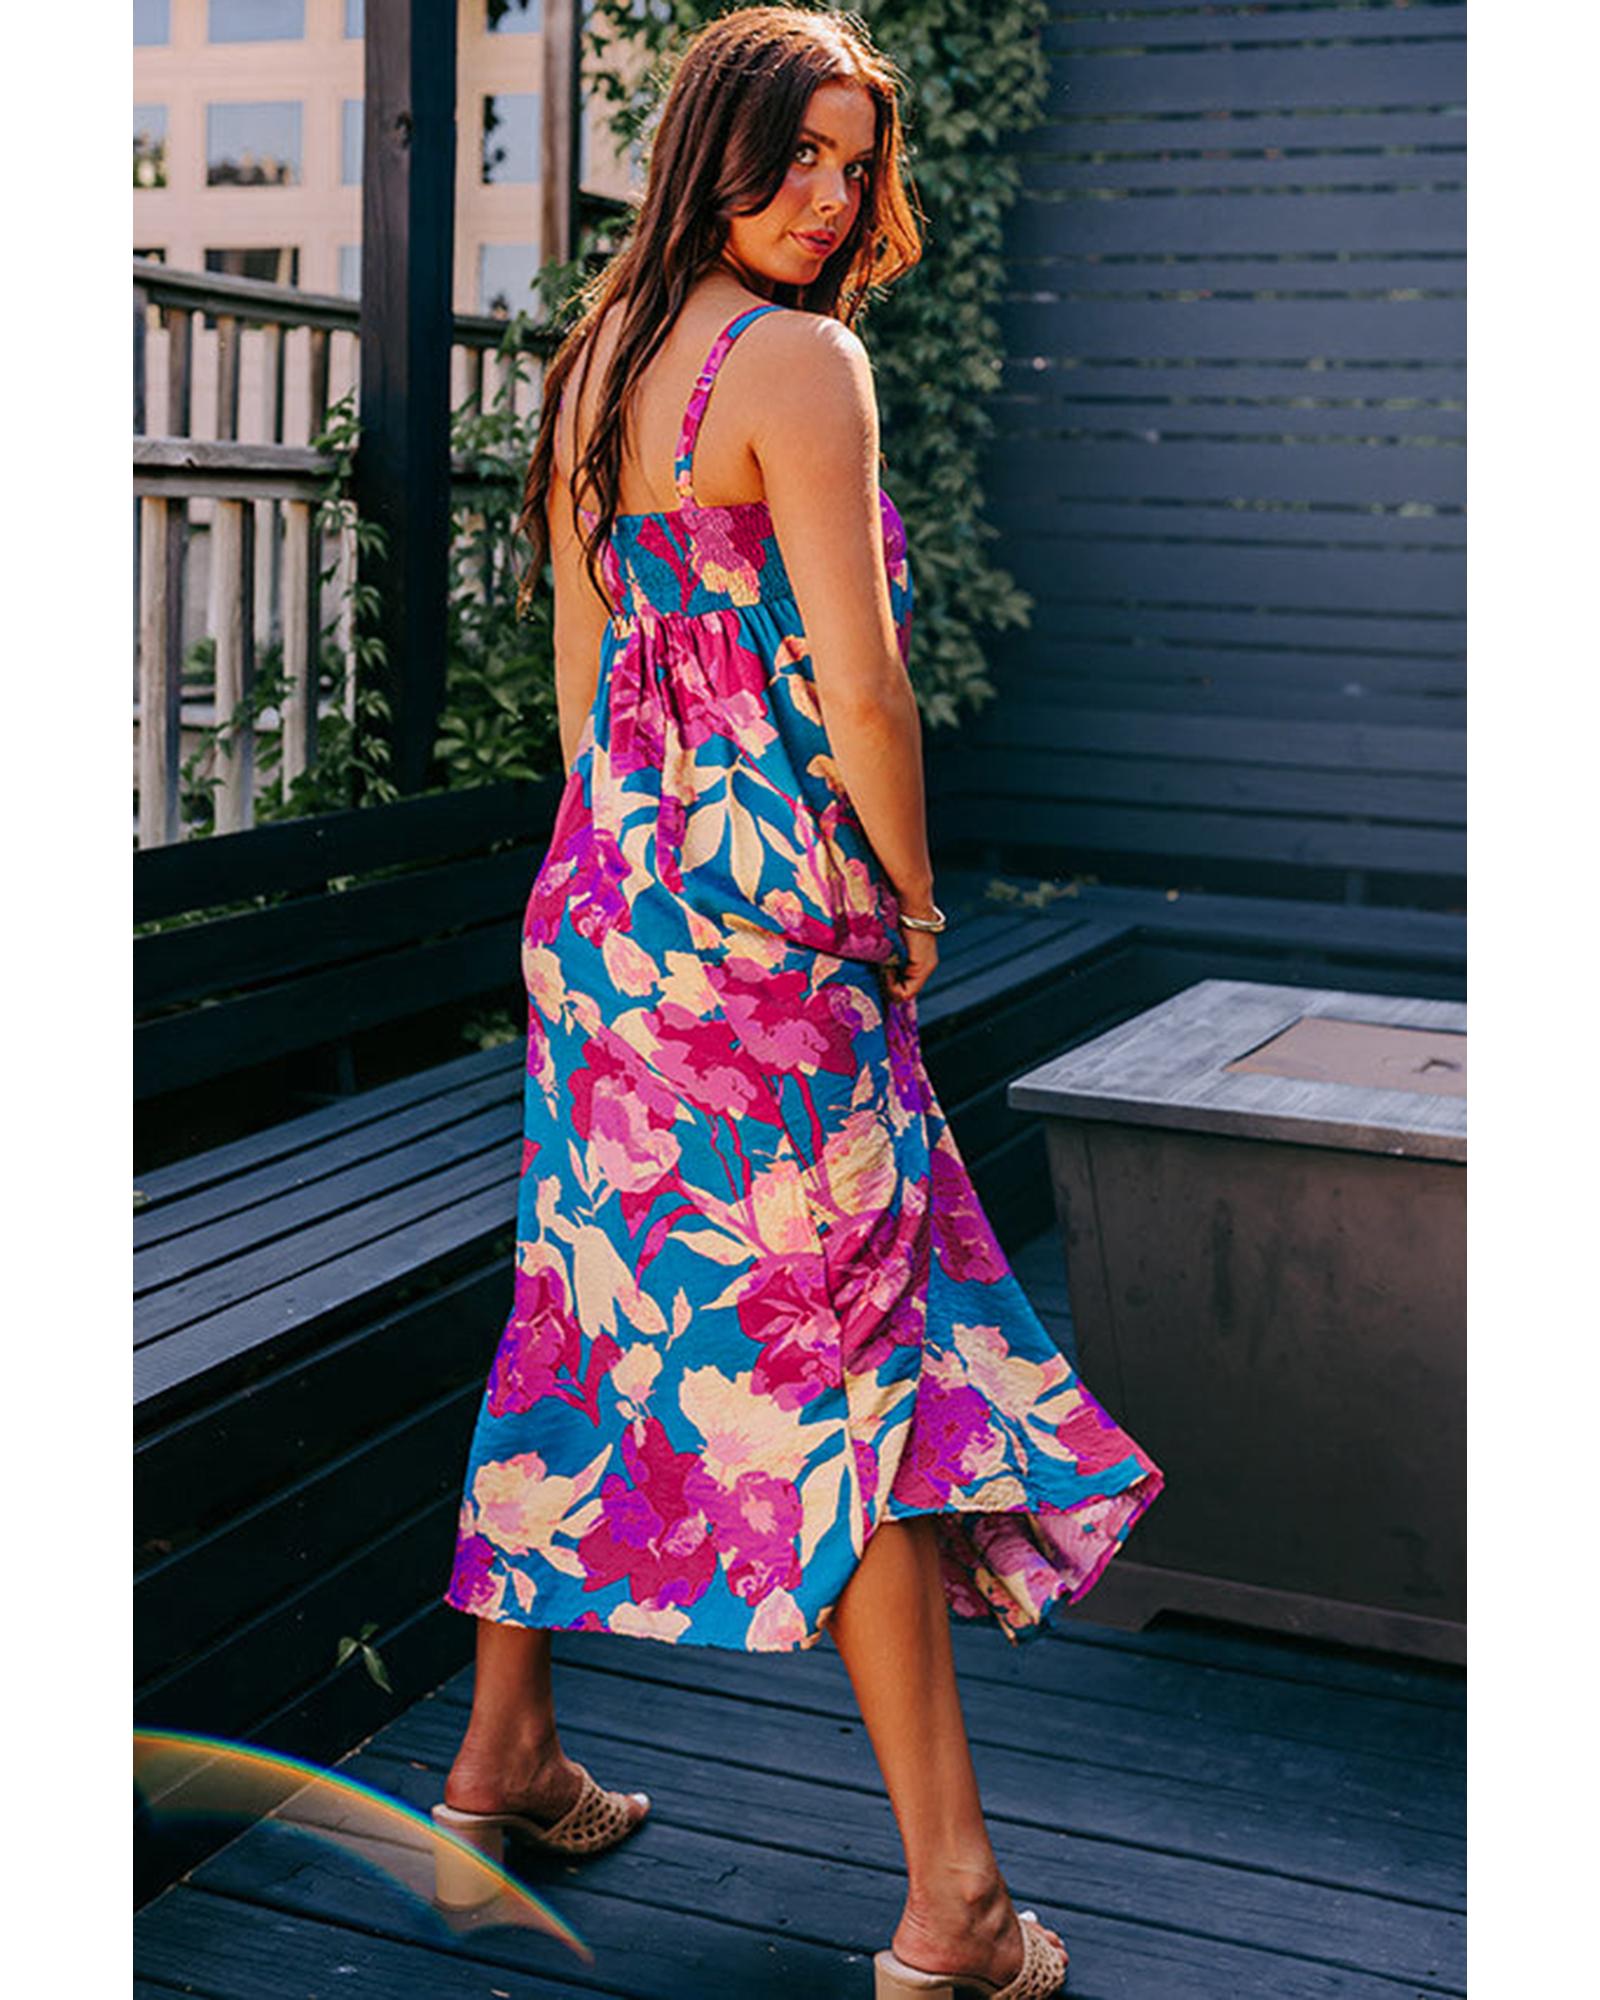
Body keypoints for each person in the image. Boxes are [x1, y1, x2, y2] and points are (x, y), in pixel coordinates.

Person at [435, 10, 1164, 1994]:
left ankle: (501, 1754)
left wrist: (615, 891)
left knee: (580, 1303)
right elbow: (861, 684)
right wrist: (906, 896)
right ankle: (955, 1902)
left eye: (854, 162)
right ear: (714, 147)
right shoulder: (799, 365)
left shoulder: (598, 357)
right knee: (849, 1373)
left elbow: (584, 680)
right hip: (769, 938)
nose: (831, 198)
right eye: (799, 155)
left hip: (607, 913)